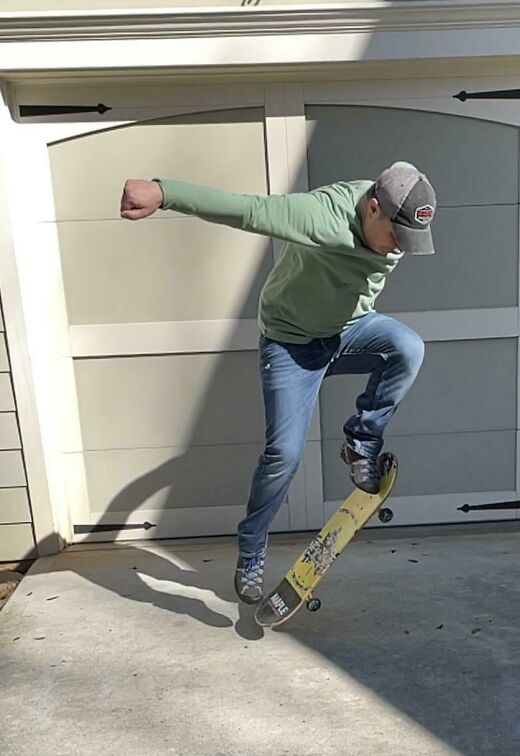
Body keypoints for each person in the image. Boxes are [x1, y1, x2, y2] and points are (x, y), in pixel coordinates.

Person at [120, 162, 437, 604]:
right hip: (291, 346)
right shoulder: (320, 215)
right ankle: (251, 551)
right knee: (284, 455)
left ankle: (361, 443)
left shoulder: (394, 217)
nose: (396, 250)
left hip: (347, 332)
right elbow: (247, 211)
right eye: (395, 236)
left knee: (408, 347)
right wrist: (163, 191)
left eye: (407, 241)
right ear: (371, 208)